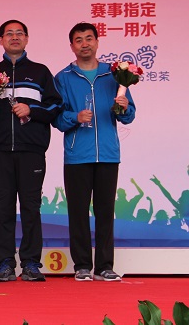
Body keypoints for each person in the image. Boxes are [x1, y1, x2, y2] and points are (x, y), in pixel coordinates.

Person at [0, 20, 62, 282]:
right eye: (8, 34)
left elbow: (56, 107)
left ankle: (31, 263)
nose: (14, 37)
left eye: (19, 33)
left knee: (31, 207)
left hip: (31, 149)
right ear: (0, 40)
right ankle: (4, 263)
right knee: (3, 207)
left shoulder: (40, 72)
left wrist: (31, 109)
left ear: (27, 38)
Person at [53, 22, 136, 282]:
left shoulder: (115, 75)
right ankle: (81, 266)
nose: (85, 44)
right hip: (77, 154)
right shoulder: (63, 77)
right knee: (78, 212)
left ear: (97, 42)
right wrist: (75, 117)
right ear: (72, 46)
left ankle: (104, 266)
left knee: (105, 211)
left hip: (108, 154)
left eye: (89, 38)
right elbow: (57, 118)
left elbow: (129, 115)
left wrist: (123, 107)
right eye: (79, 40)